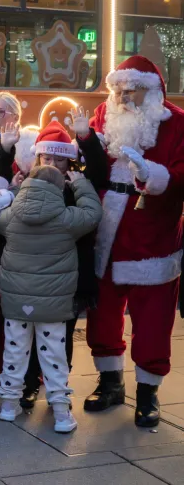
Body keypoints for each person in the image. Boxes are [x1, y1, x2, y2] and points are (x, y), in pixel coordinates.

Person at [78, 56, 184, 428]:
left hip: (152, 233)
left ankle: (148, 391)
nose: (123, 97)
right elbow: (92, 166)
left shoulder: (177, 123)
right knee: (103, 311)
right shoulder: (103, 114)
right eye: (118, 90)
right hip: (106, 230)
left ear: (150, 90)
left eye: (131, 90)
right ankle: (110, 382)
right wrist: (85, 141)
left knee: (152, 317)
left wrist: (154, 175)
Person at [0, 166, 102, 434]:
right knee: (54, 354)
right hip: (53, 304)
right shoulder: (67, 218)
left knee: (15, 350)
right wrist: (81, 184)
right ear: (59, 188)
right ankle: (61, 413)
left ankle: (9, 405)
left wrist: (15, 188)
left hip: (16, 302)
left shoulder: (11, 216)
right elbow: (93, 213)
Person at [15, 119, 108, 407]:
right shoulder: (26, 185)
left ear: (69, 161)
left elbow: (99, 173)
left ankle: (58, 387)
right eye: (46, 158)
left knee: (62, 336)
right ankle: (30, 383)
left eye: (59, 158)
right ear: (38, 158)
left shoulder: (77, 185)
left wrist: (86, 139)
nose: (52, 164)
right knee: (29, 335)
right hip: (33, 276)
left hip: (68, 278)